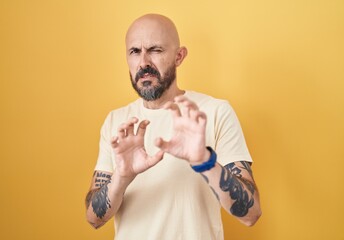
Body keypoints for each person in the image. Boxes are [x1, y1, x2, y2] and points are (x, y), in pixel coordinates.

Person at [85, 13, 261, 240]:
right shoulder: (117, 122)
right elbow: (93, 219)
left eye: (155, 50)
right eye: (134, 51)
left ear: (179, 56)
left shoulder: (214, 112)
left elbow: (251, 214)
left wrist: (203, 160)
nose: (144, 62)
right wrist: (122, 177)